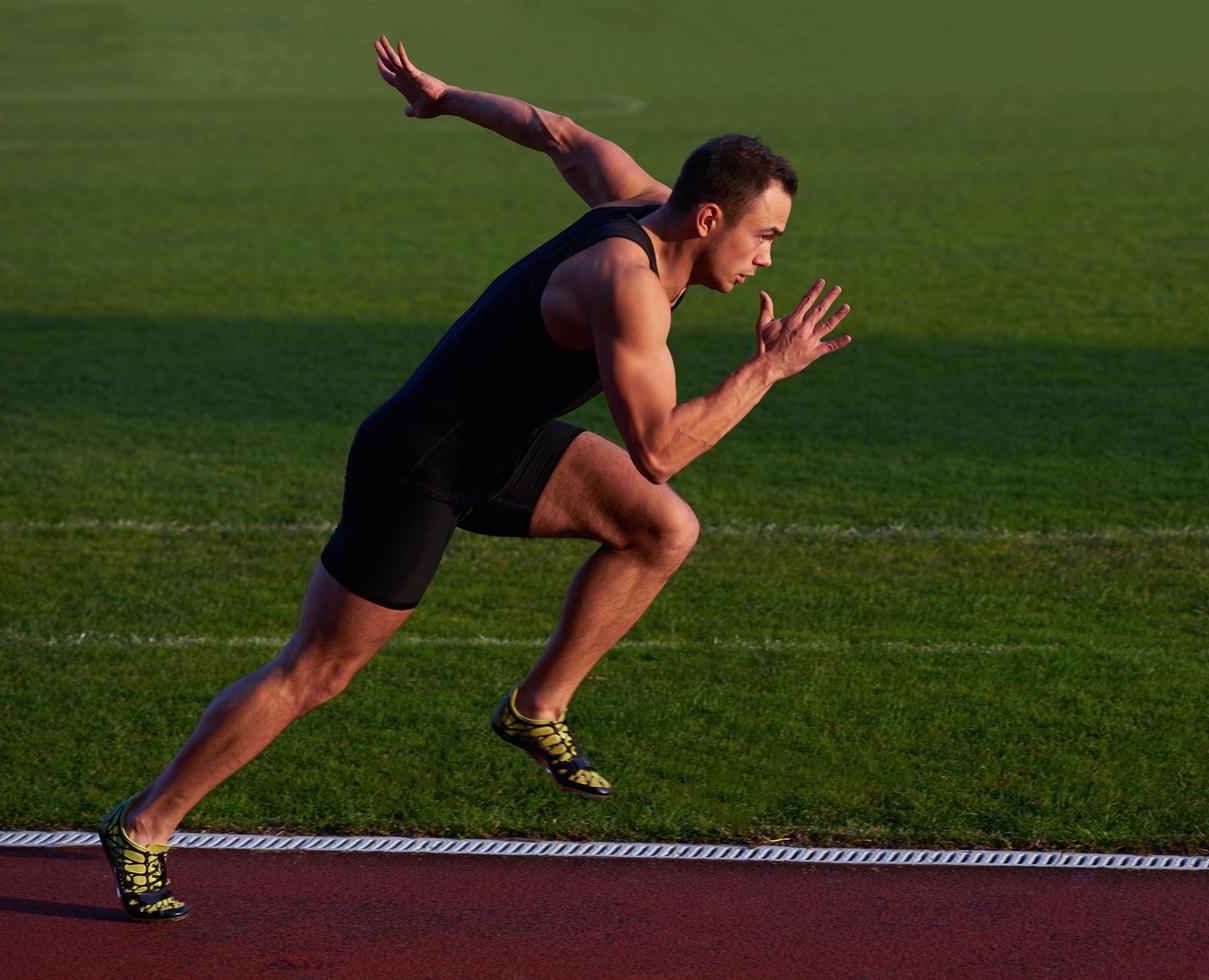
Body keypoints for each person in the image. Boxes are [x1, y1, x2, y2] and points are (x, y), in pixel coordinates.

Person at [97, 35, 853, 921]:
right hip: (419, 462)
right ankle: (145, 824)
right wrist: (766, 371)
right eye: (766, 237)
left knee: (662, 529)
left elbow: (561, 135)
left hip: (504, 444)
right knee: (320, 671)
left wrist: (444, 96)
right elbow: (658, 448)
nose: (769, 258)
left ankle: (536, 706)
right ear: (711, 220)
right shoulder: (627, 281)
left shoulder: (646, 201)